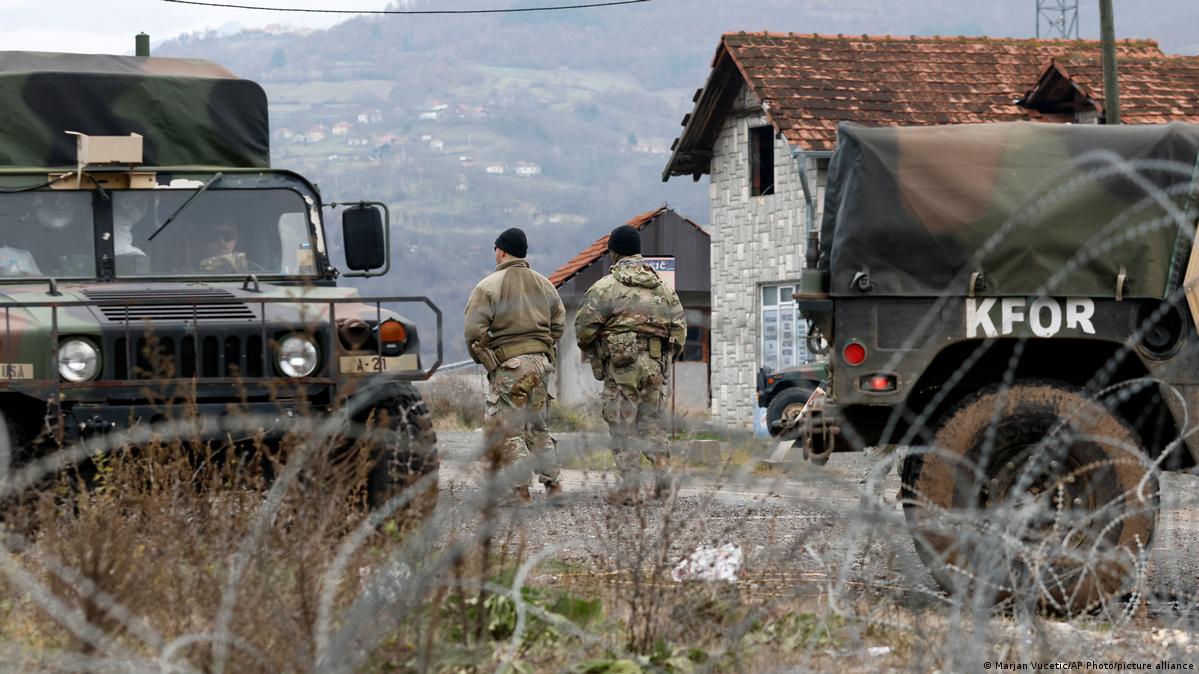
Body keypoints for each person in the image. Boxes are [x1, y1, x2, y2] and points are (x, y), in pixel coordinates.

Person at [575, 225, 686, 506]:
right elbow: (680, 330)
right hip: (655, 366)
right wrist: (663, 359)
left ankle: (631, 491)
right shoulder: (664, 289)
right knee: (650, 424)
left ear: (613, 253)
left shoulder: (605, 288)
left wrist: (601, 347)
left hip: (622, 367)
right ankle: (663, 482)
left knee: (623, 427)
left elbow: (584, 330)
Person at [464, 227, 566, 503]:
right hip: (541, 364)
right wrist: (541, 346)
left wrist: (487, 359)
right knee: (537, 426)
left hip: (510, 365)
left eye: (496, 248)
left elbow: (474, 330)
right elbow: (558, 324)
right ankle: (553, 486)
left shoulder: (489, 286)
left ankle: (519, 490)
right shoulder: (545, 285)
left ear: (501, 250)